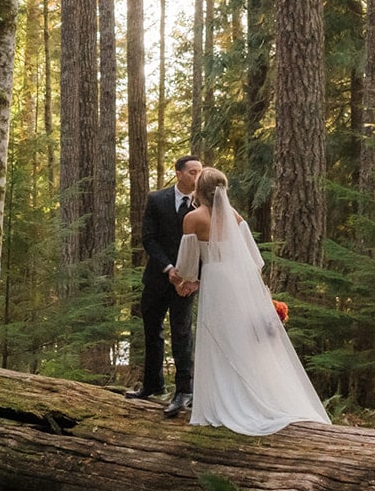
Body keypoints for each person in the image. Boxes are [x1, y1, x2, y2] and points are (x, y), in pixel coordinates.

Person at [172, 168, 331, 435]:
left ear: (199, 190)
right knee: (242, 340)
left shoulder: (193, 218)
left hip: (215, 282)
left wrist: (183, 281)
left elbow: (188, 264)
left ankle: (224, 402)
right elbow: (255, 260)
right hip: (238, 282)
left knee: (219, 338)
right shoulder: (235, 216)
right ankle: (252, 395)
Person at [134, 155, 204, 415]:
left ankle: (184, 391)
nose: (197, 177)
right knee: (152, 330)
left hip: (186, 282)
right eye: (192, 172)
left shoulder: (203, 203)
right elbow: (148, 238)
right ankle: (152, 385)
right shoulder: (157, 199)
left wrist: (189, 276)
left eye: (200, 172)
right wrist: (168, 268)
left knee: (182, 333)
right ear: (179, 173)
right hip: (157, 277)